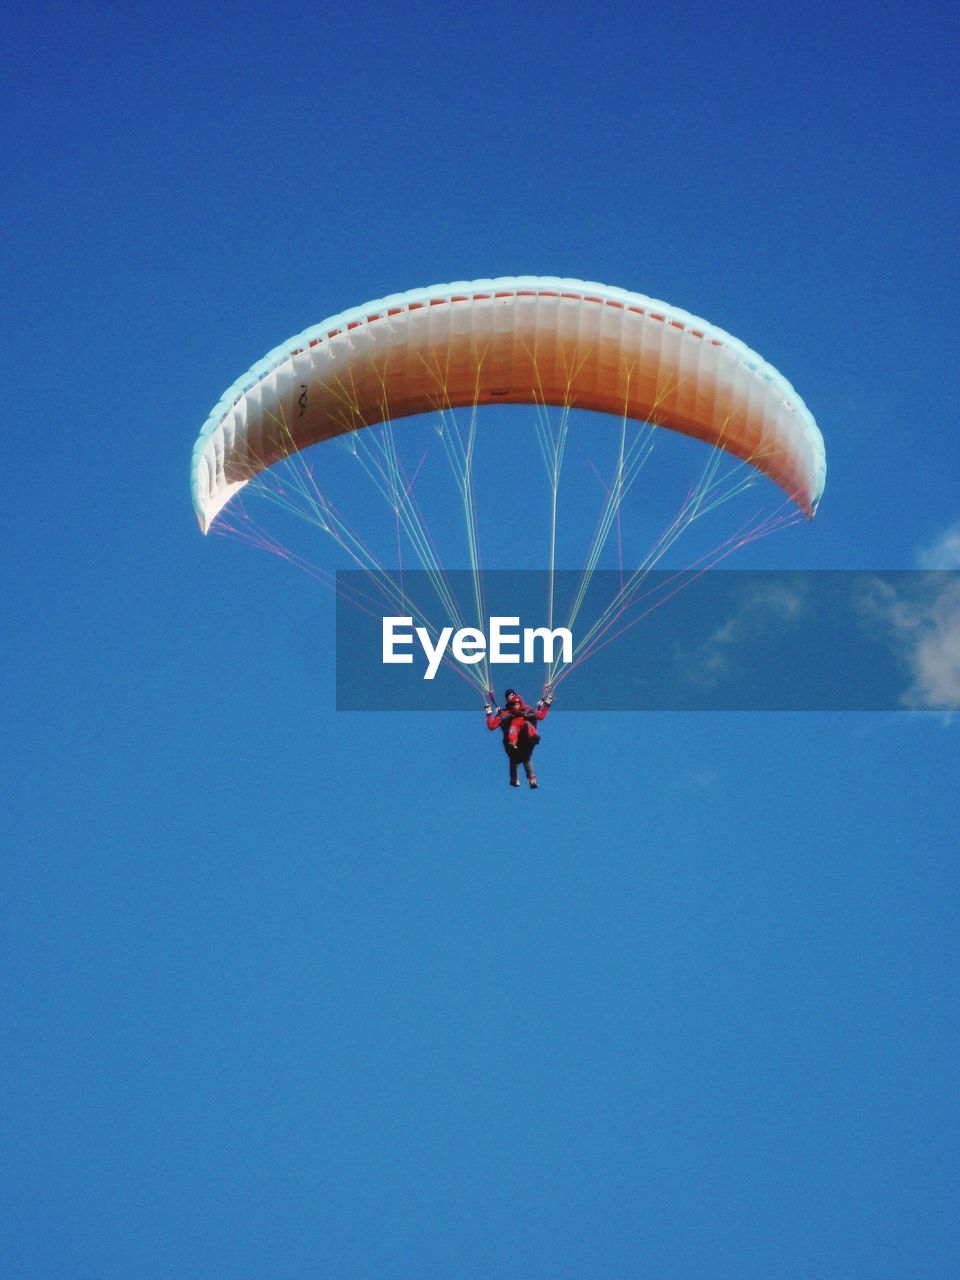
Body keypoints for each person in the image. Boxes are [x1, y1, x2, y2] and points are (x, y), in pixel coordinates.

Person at [485, 687, 553, 788]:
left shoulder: (526, 709)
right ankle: (516, 779)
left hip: (526, 738)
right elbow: (492, 726)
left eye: (513, 695)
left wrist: (546, 703)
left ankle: (530, 779)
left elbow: (539, 715)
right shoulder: (503, 714)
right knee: (516, 757)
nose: (512, 699)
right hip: (512, 741)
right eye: (509, 697)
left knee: (525, 756)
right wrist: (489, 713)